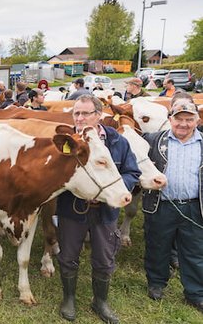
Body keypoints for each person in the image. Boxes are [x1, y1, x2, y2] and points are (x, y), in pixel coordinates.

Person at [56, 95, 140, 323]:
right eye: (76, 113)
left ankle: (100, 301)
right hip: (72, 209)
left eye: (85, 113)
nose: (80, 118)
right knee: (68, 255)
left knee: (104, 257)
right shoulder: (67, 143)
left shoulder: (117, 142)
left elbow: (133, 173)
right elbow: (54, 177)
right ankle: (69, 298)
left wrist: (111, 189)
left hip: (106, 211)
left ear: (99, 115)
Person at [142, 100, 203, 314]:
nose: (183, 124)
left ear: (198, 120)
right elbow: (138, 163)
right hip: (162, 204)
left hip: (195, 207)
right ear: (170, 120)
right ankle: (157, 283)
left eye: (189, 119)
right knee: (158, 245)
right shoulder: (153, 140)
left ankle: (195, 292)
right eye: (179, 119)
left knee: (195, 250)